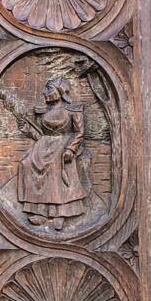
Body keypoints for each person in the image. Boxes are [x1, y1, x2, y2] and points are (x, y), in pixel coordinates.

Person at [17, 76, 93, 230]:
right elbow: (37, 134)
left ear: (60, 91)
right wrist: (24, 126)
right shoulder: (42, 111)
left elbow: (79, 132)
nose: (45, 92)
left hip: (64, 144)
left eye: (49, 89)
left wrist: (71, 148)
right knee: (26, 163)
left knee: (55, 166)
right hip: (44, 144)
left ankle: (61, 213)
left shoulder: (73, 110)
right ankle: (40, 211)